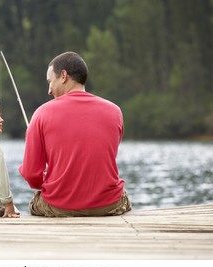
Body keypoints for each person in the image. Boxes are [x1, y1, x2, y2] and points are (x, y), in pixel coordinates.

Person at [19, 51, 131, 217]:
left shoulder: (42, 113)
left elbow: (31, 175)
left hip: (60, 206)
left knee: (35, 202)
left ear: (63, 75)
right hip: (108, 205)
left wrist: (47, 179)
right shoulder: (115, 111)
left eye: (50, 81)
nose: (49, 90)